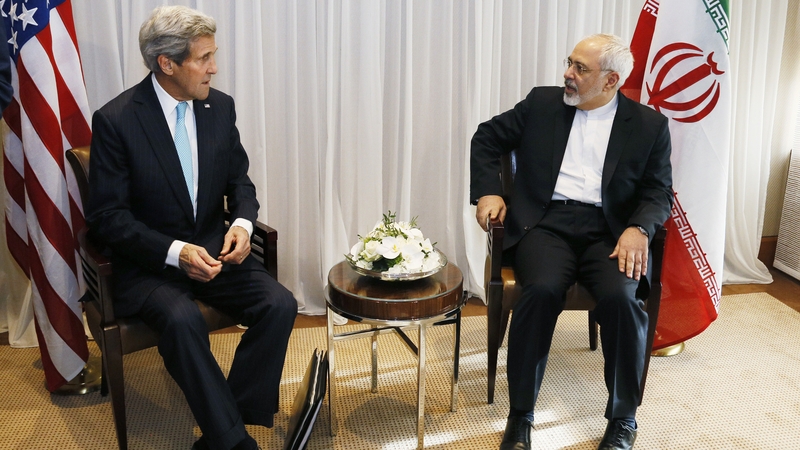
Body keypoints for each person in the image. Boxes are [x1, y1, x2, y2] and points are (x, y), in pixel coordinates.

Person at [87, 6, 297, 450]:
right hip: (149, 265)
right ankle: (233, 441)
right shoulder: (117, 120)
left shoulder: (219, 107)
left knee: (280, 304)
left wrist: (241, 221)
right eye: (204, 58)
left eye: (213, 56)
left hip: (213, 251)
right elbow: (108, 218)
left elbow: (239, 180)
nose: (214, 68)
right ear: (167, 63)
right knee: (182, 321)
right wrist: (175, 252)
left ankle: (229, 421)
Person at [470, 34, 672, 450]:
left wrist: (639, 229)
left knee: (621, 300)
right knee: (540, 291)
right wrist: (489, 191)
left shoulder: (649, 125)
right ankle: (520, 415)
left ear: (611, 80)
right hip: (545, 224)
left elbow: (658, 193)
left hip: (611, 232)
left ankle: (623, 420)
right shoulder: (542, 104)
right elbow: (486, 137)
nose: (568, 74)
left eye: (581, 68)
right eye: (570, 63)